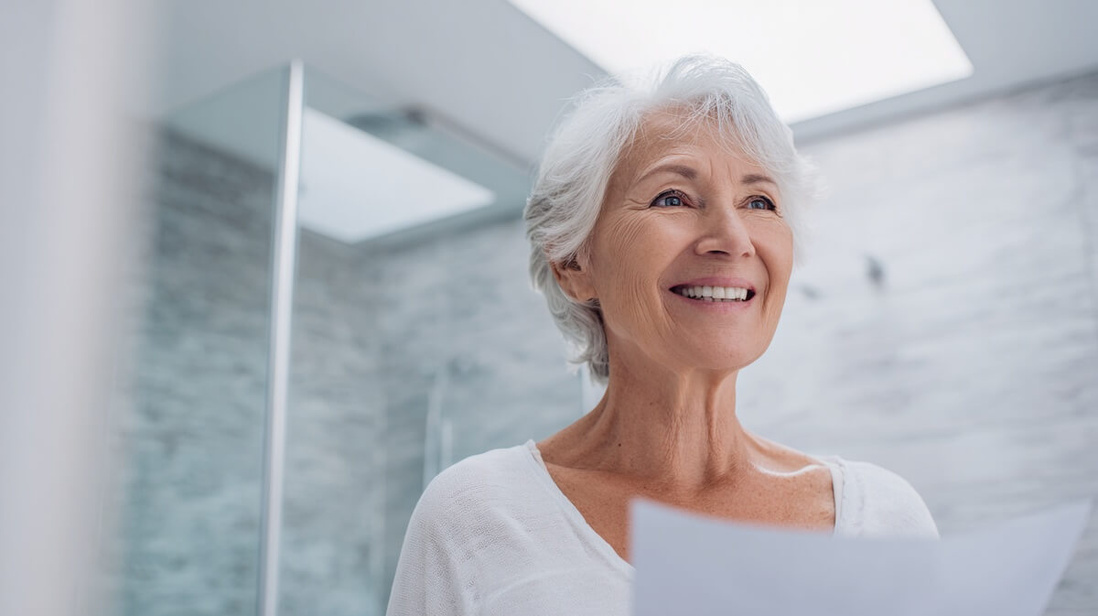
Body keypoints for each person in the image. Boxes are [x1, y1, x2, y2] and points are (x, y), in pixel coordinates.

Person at [386, 55, 938, 616]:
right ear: (573, 262)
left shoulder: (884, 517)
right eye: (672, 198)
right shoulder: (476, 518)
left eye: (759, 203)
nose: (733, 237)